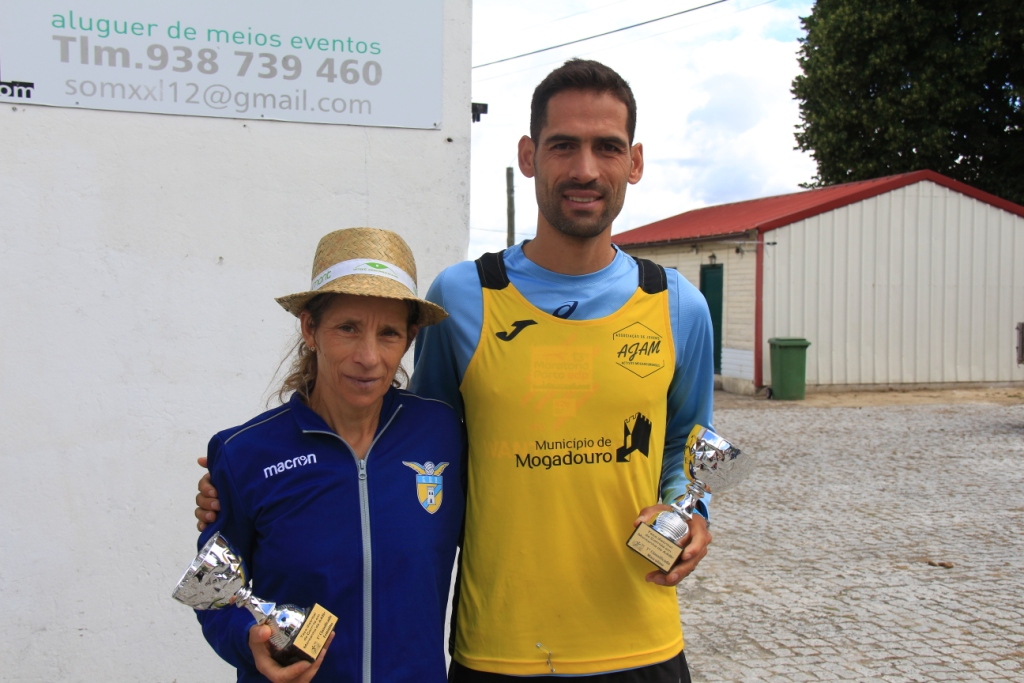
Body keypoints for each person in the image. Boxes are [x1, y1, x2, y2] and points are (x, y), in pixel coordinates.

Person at [198, 59, 714, 682]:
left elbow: (689, 457)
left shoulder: (679, 304)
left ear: (633, 161)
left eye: (607, 147)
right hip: (497, 653)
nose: (584, 169)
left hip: (643, 647)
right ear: (528, 155)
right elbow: (419, 443)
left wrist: (692, 518)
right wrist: (242, 478)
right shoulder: (466, 296)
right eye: (562, 146)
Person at [194, 227, 464, 683]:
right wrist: (247, 641)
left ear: (410, 339)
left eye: (389, 334)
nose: (370, 357)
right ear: (310, 328)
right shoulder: (245, 453)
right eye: (348, 328)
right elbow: (211, 591)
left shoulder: (442, 434)